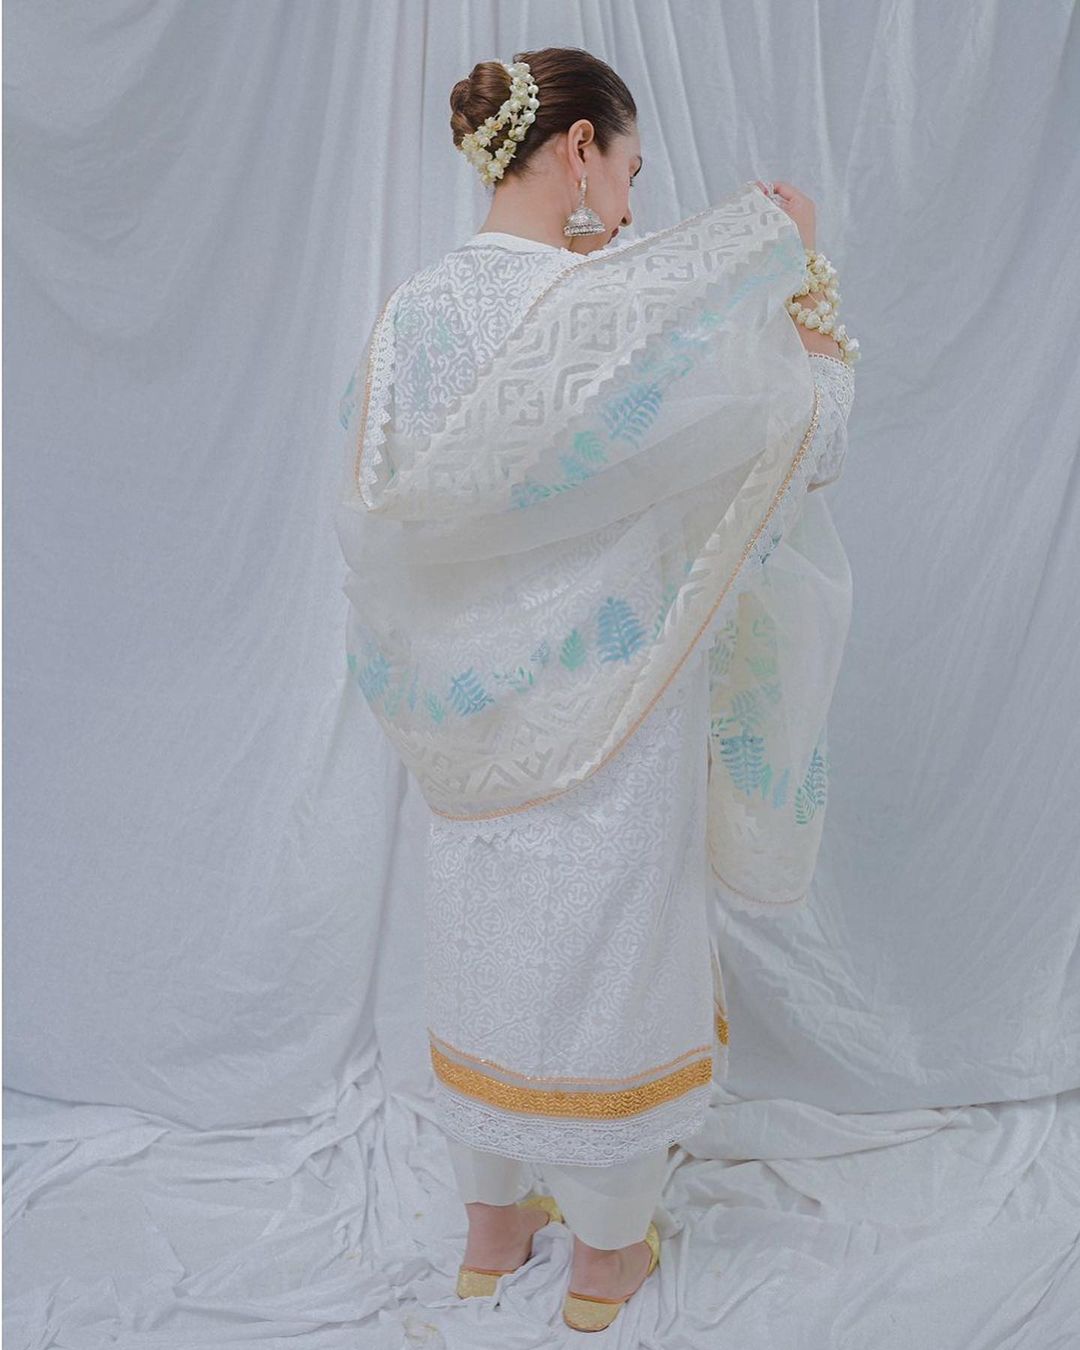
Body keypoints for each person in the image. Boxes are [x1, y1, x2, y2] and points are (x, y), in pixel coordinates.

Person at [335, 46, 859, 1334]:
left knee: (487, 943)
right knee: (611, 956)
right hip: (613, 706)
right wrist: (802, 285)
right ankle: (605, 1259)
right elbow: (801, 442)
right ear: (578, 152)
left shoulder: (409, 315)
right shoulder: (611, 314)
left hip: (465, 724)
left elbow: (379, 524)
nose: (630, 203)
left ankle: (491, 1232)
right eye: (628, 169)